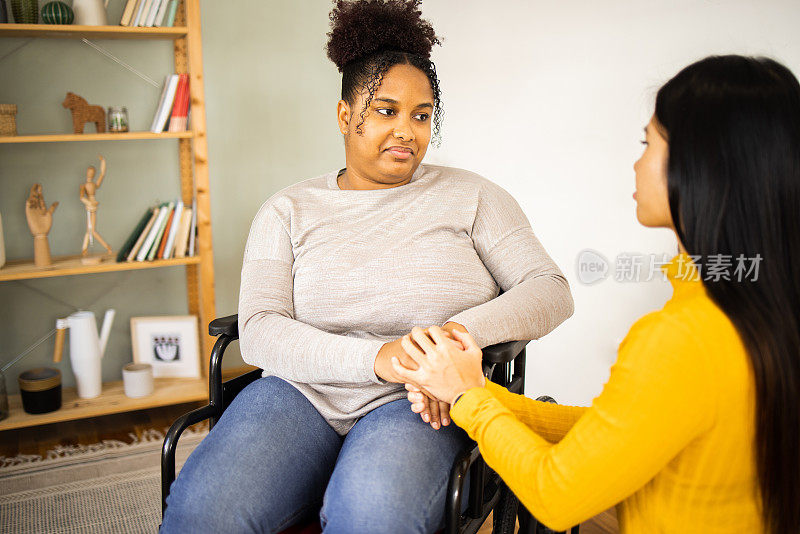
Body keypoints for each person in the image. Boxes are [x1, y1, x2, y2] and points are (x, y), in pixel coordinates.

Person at [159, 1, 573, 533]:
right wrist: (381, 357)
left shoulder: (474, 197)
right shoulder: (287, 210)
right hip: (299, 393)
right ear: (344, 114)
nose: (406, 131)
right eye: (385, 110)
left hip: (420, 403)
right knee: (202, 513)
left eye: (421, 115)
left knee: (372, 515)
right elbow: (259, 330)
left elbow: (550, 289)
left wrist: (444, 343)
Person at [392, 54, 800, 533]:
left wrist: (466, 396)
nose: (636, 161)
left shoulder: (681, 338)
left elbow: (557, 495)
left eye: (649, 143)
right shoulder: (751, 307)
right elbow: (622, 428)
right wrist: (480, 393)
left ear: (700, 167)